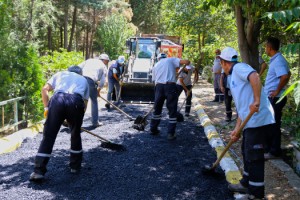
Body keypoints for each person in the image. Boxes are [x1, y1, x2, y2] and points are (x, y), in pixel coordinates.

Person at [219, 47, 275, 199]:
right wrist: (237, 129)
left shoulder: (239, 68)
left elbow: (255, 76)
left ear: (225, 62)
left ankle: (256, 194)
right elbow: (241, 108)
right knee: (246, 151)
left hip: (259, 120)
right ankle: (245, 183)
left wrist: (257, 100)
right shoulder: (232, 78)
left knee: (255, 156)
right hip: (250, 121)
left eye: (220, 62)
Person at [29, 66, 89, 182]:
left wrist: (47, 107)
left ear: (68, 70)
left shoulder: (61, 74)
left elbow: (44, 89)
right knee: (75, 134)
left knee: (49, 136)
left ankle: (38, 172)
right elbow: (84, 104)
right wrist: (75, 122)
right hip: (76, 102)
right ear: (80, 73)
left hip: (58, 100)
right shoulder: (84, 80)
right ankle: (75, 167)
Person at [150, 53, 190, 140]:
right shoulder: (171, 60)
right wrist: (187, 62)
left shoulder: (156, 65)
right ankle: (170, 134)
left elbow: (154, 80)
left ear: (158, 58)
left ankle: (153, 129)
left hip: (159, 87)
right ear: (165, 57)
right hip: (170, 86)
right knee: (172, 110)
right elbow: (186, 61)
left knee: (157, 109)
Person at [264, 37, 291, 159]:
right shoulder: (276, 60)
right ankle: (269, 148)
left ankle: (274, 151)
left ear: (269, 48)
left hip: (276, 98)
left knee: (274, 125)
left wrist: (277, 90)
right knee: (270, 124)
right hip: (274, 97)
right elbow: (288, 74)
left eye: (265, 46)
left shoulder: (278, 60)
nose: (265, 49)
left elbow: (285, 76)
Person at [78, 53, 109, 127]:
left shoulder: (89, 60)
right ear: (104, 60)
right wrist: (98, 91)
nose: (107, 63)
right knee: (94, 101)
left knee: (80, 100)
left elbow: (78, 67)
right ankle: (95, 122)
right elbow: (102, 82)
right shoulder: (103, 66)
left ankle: (74, 121)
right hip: (90, 81)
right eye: (107, 61)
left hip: (80, 80)